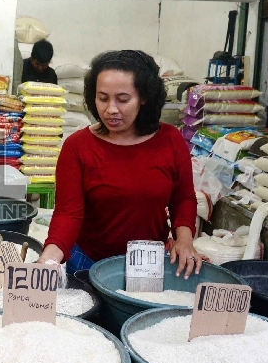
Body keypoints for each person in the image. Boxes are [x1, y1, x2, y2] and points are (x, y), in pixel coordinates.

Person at [38, 50, 201, 277]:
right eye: (103, 98)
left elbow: (182, 198)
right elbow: (68, 213)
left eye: (123, 99)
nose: (111, 109)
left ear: (144, 97)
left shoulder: (171, 140)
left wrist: (184, 240)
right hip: (88, 263)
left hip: (148, 266)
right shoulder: (77, 146)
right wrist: (49, 258)